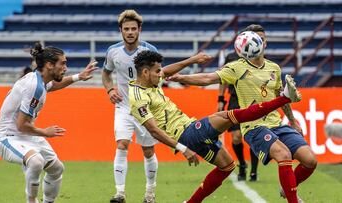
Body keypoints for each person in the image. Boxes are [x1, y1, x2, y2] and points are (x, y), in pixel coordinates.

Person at [169, 24, 317, 203]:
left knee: (310, 160)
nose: (259, 41)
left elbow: (280, 96)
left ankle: (287, 189)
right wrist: (183, 78)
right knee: (283, 155)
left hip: (276, 124)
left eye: (262, 38)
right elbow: (208, 78)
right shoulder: (236, 67)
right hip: (254, 126)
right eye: (256, 38)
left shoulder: (274, 68)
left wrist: (293, 121)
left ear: (265, 42)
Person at [129, 50, 301, 203]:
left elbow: (168, 70)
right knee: (230, 115)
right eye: (158, 71)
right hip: (185, 134)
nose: (162, 74)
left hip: (188, 130)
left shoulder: (150, 80)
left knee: (227, 166)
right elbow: (153, 130)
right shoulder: (137, 97)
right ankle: (285, 98)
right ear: (145, 72)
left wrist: (192, 60)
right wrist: (183, 149)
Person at [0, 42, 97, 203]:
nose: (65, 68)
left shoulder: (40, 79)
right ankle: (31, 200)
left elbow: (54, 85)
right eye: (62, 63)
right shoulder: (34, 86)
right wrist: (45, 132)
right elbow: (22, 125)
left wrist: (78, 77)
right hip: (8, 137)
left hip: (26, 134)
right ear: (49, 65)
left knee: (57, 169)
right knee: (36, 162)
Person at [101, 9, 161, 203]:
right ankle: (119, 193)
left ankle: (150, 193)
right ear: (121, 30)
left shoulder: (150, 51)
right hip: (124, 107)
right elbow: (105, 73)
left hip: (145, 108)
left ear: (139, 29)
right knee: (122, 144)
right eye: (126, 28)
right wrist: (110, 90)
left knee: (148, 151)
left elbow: (159, 77)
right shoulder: (113, 51)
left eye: (133, 28)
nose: (130, 32)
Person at [218, 51, 259, 181]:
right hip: (235, 99)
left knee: (253, 135)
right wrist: (220, 98)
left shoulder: (258, 56)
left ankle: (254, 171)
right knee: (236, 137)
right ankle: (242, 164)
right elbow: (223, 78)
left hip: (253, 100)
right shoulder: (231, 57)